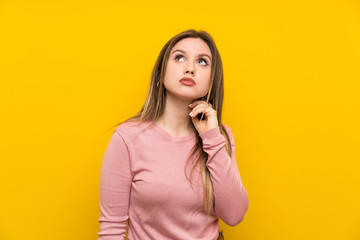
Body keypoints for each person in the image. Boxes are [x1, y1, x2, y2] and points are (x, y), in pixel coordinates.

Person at [98, 29, 249, 240]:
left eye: (202, 62)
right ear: (160, 74)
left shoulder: (219, 136)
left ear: (212, 82)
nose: (190, 69)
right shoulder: (127, 138)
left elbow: (234, 215)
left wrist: (212, 139)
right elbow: (111, 230)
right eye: (179, 58)